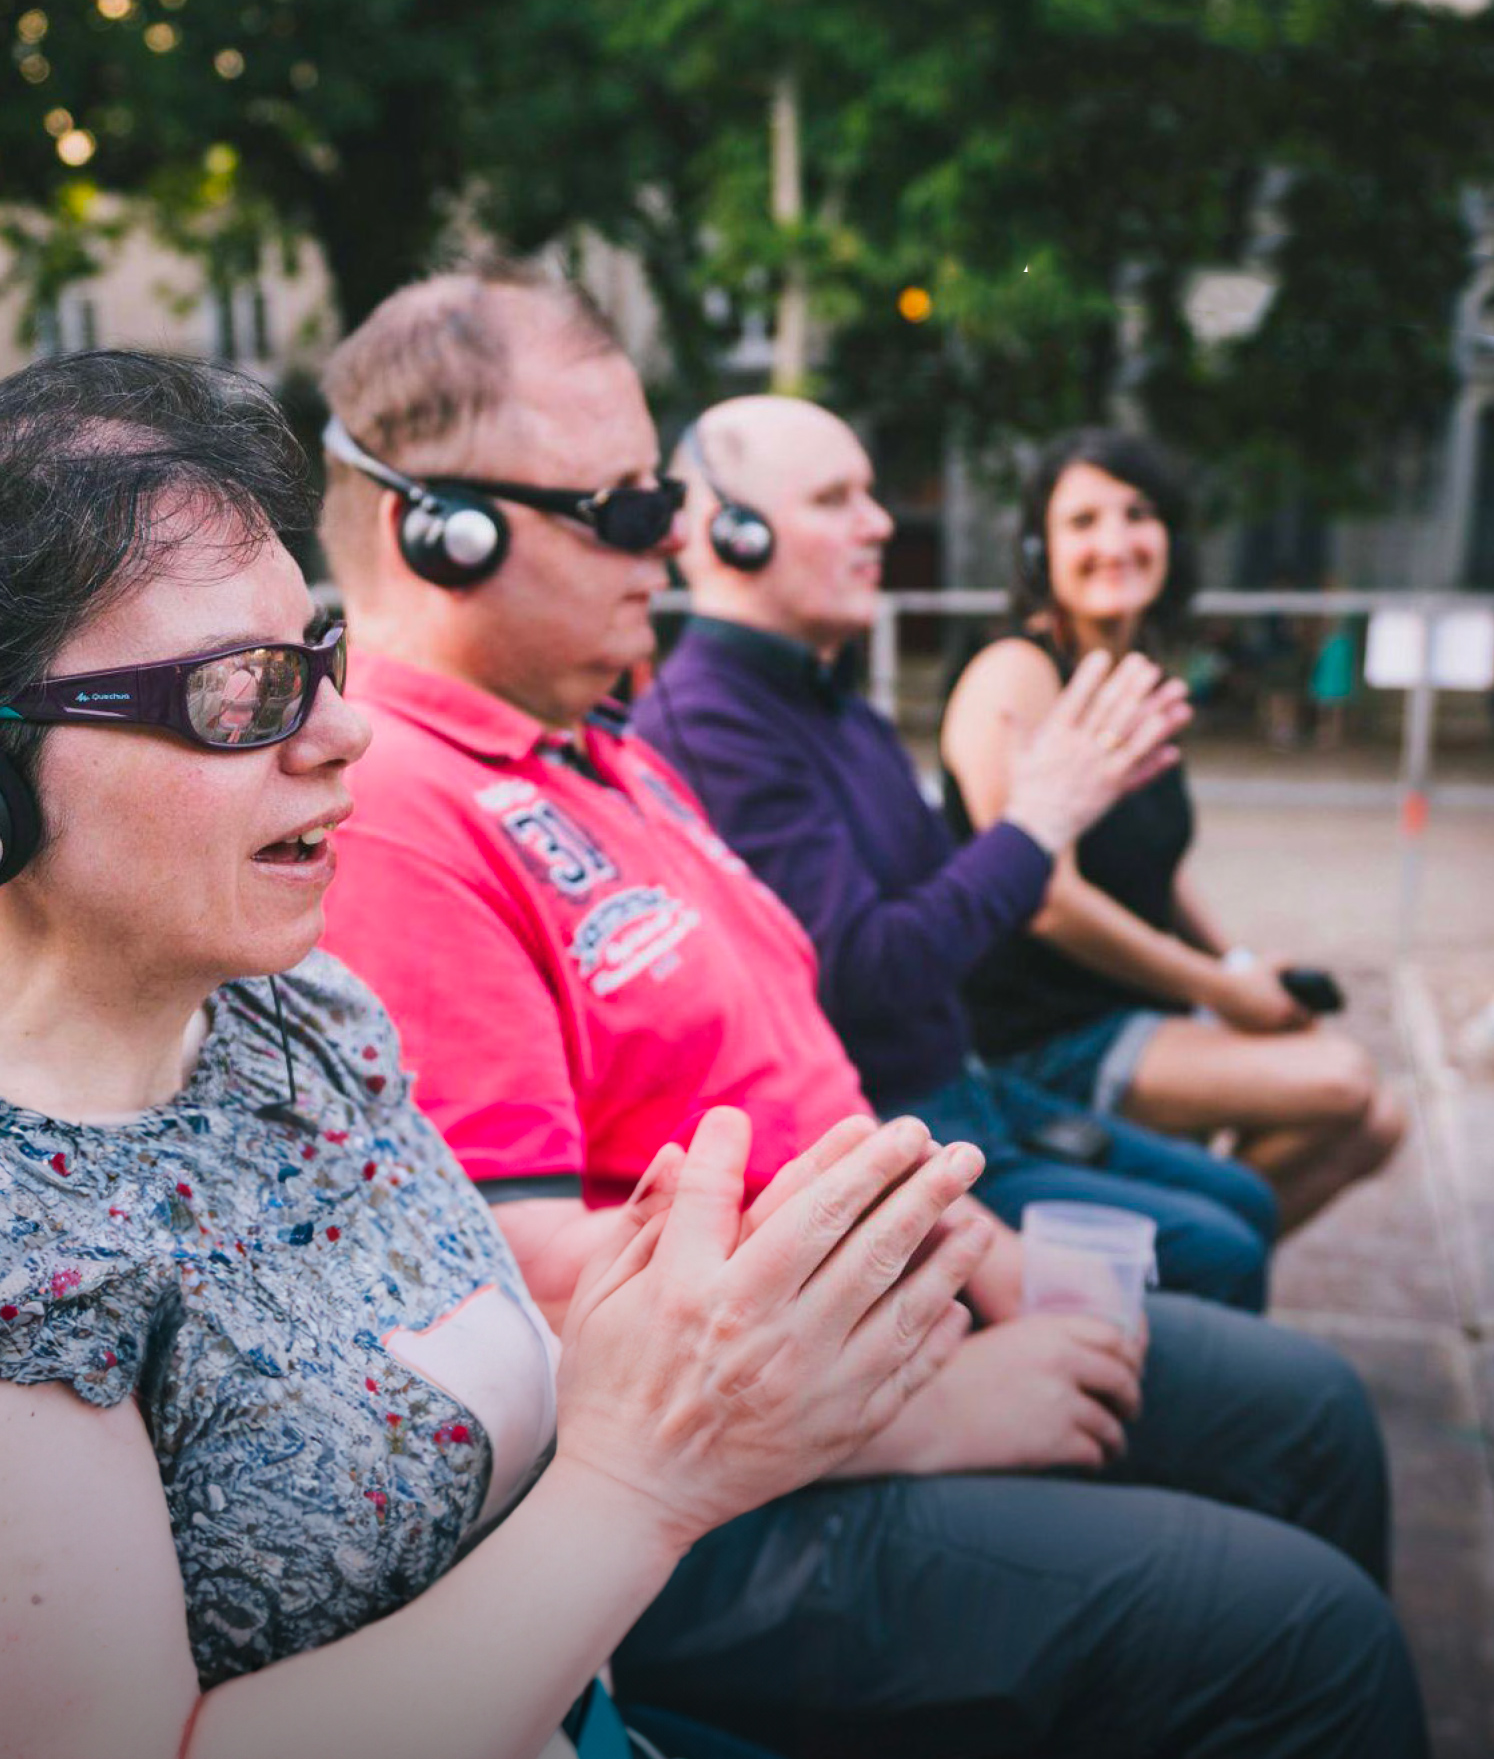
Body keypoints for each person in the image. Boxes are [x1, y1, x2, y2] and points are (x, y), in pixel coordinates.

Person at [317, 265, 1428, 1759]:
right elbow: (528, 1283)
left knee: (1301, 1415)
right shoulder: (401, 809)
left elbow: (799, 1054)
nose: (676, 547)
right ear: (432, 531)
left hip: (866, 1320)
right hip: (743, 1476)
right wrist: (915, 1397)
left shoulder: (593, 750)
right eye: (630, 511)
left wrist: (966, 1243)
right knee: (1305, 1635)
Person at [0, 351, 994, 1759]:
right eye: (243, 693)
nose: (347, 731)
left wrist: (653, 1330)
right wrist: (641, 1478)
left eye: (318, 659)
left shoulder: (304, 1016)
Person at [638, 394, 1279, 1310]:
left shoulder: (835, 701)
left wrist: (1076, 810)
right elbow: (869, 971)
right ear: (727, 533)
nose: (881, 524)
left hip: (970, 1091)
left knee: (1244, 1200)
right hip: (901, 1131)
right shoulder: (711, 723)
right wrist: (1037, 822)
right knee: (1223, 1254)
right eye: (835, 499)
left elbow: (943, 894)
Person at [940, 427, 1405, 1232]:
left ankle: (1172, 1264)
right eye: (1082, 521)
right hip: (1036, 1035)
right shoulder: (1014, 671)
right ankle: (1173, 1258)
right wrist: (1218, 989)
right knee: (1342, 1081)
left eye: (1138, 513)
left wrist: (1238, 966)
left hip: (1134, 1008)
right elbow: (1044, 896)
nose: (1115, 541)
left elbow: (1155, 861)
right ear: (1035, 549)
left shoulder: (1135, 669)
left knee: (1380, 1124)